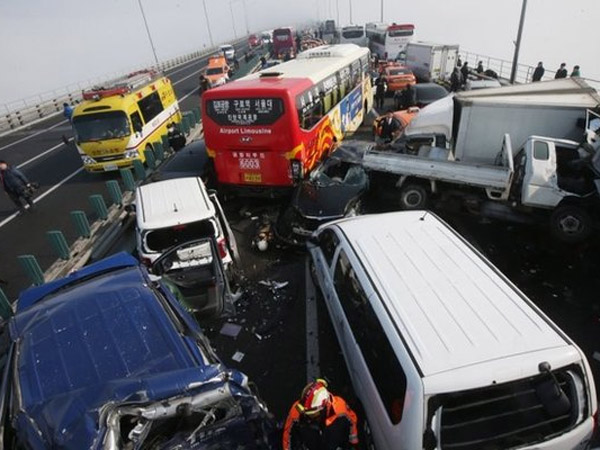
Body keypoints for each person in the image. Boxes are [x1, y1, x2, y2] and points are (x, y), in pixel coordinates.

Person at [283, 379, 359, 450]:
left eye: (312, 414)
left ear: (324, 407)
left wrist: (353, 445)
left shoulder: (340, 409)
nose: (308, 417)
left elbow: (352, 422)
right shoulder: (297, 410)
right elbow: (287, 434)